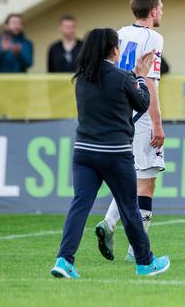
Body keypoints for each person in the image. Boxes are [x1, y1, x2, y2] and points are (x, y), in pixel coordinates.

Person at [50, 28, 170, 278]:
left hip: (83, 152)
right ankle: (145, 262)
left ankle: (64, 260)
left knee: (79, 206)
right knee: (129, 208)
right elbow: (142, 102)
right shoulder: (120, 77)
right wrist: (139, 76)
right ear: (113, 50)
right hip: (115, 153)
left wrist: (133, 75)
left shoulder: (82, 77)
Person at [95, 0, 165, 262]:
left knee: (131, 179)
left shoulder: (119, 34)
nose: (162, 11)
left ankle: (109, 224)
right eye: (160, 6)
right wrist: (157, 123)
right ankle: (138, 249)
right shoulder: (153, 37)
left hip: (118, 115)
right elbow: (149, 81)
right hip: (141, 115)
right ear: (153, 10)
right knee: (146, 183)